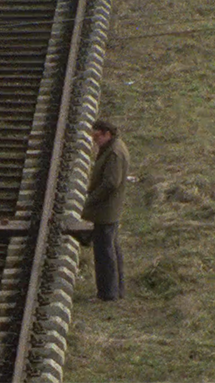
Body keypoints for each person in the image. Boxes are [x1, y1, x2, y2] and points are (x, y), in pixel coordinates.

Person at [81, 120, 130, 302]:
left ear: (106, 134)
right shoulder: (114, 147)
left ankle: (108, 294)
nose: (95, 141)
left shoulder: (114, 153)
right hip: (109, 210)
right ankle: (117, 290)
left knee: (104, 253)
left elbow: (111, 183)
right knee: (111, 250)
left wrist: (92, 200)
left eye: (96, 137)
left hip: (106, 210)